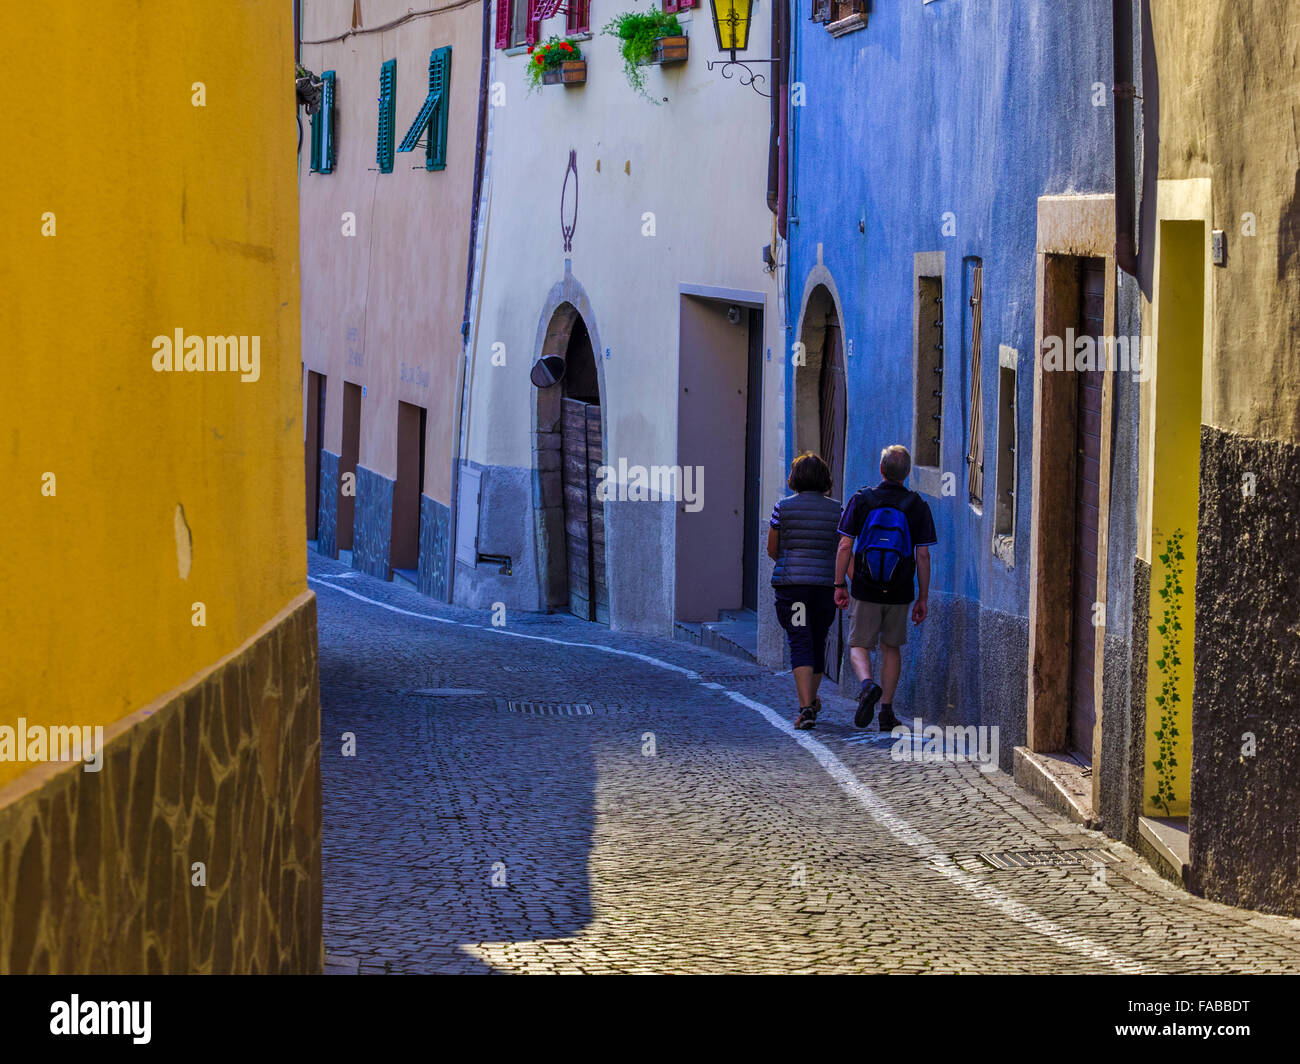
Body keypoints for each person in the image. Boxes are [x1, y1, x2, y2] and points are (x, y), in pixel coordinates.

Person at [834, 444, 936, 732]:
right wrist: (923, 597)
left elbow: (844, 545)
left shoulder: (861, 500)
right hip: (900, 589)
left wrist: (840, 583)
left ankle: (867, 685)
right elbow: (923, 555)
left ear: (881, 470)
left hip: (864, 586)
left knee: (858, 644)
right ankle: (886, 712)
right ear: (907, 474)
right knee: (891, 647)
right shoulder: (917, 505)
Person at [767, 452, 842, 730]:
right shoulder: (839, 510)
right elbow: (841, 549)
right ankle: (810, 700)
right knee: (818, 639)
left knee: (800, 641)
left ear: (794, 478)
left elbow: (772, 549)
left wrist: (790, 564)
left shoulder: (782, 508)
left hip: (793, 589)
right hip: (823, 587)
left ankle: (805, 707)